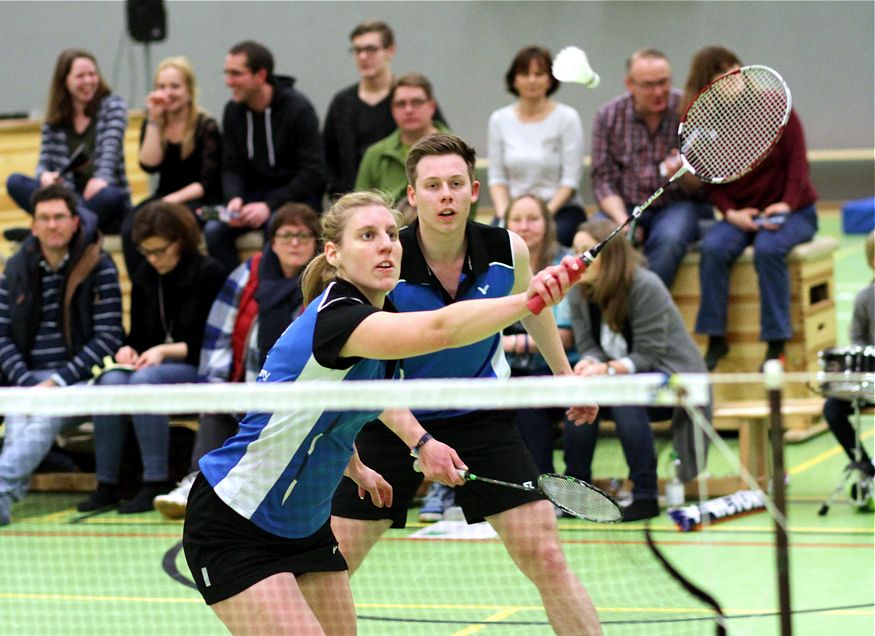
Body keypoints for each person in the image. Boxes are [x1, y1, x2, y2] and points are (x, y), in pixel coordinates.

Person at [182, 190, 579, 633]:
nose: (386, 244)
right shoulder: (341, 319)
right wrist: (530, 299)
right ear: (333, 252)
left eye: (391, 234)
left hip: (305, 528)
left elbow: (339, 402)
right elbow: (442, 329)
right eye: (367, 236)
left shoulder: (381, 313)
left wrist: (371, 460)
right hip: (236, 522)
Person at [332, 134, 602, 635]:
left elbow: (533, 309)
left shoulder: (507, 249)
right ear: (412, 196)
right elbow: (367, 370)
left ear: (474, 190)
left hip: (480, 416)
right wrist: (420, 442)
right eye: (432, 186)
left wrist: (565, 377)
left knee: (546, 554)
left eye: (456, 184)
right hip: (393, 418)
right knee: (332, 563)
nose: (446, 196)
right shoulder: (385, 261)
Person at [153, 203, 321, 520]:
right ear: (272, 241)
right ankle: (195, 484)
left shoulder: (325, 281)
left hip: (300, 394)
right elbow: (218, 334)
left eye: (303, 235)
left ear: (316, 242)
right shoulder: (248, 275)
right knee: (215, 407)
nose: (294, 243)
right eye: (286, 235)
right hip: (249, 388)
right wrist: (217, 390)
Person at [78, 201, 225, 514]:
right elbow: (139, 336)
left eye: (160, 251)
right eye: (147, 252)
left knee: (145, 381)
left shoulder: (208, 273)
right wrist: (128, 349)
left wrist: (164, 351)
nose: (154, 259)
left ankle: (155, 481)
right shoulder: (146, 275)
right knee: (110, 380)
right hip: (154, 365)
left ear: (179, 242)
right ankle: (107, 483)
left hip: (197, 366)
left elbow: (212, 343)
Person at [565, 219, 712, 522]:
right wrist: (588, 363)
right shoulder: (578, 292)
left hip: (673, 378)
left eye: (586, 251)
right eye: (575, 250)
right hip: (620, 376)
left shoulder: (645, 285)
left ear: (611, 255)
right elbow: (589, 346)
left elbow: (648, 355)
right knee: (582, 395)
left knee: (624, 396)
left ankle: (645, 494)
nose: (579, 258)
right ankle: (576, 490)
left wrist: (605, 370)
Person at [686, 46, 819, 369]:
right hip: (741, 215)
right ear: (707, 84)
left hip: (794, 212)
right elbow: (708, 179)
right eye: (720, 72)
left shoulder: (776, 106)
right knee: (714, 248)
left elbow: (798, 164)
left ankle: (776, 344)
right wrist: (731, 213)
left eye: (734, 68)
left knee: (769, 249)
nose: (731, 76)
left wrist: (785, 204)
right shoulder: (702, 123)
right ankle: (716, 339)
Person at [0, 184, 123, 526]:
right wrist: (26, 384)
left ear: (74, 222)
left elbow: (109, 335)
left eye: (59, 217)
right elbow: (1, 335)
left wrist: (56, 382)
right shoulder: (15, 268)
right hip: (24, 380)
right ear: (34, 225)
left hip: (79, 380)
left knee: (42, 415)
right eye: (44, 218)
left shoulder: (99, 262)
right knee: (19, 416)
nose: (52, 225)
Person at [590, 48, 711, 289]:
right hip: (623, 204)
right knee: (595, 235)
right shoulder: (608, 116)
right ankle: (600, 317)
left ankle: (647, 305)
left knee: (669, 239)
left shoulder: (690, 110)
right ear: (630, 84)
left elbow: (703, 185)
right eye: (648, 85)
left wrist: (685, 174)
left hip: (676, 205)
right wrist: (621, 220)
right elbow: (603, 179)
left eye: (663, 82)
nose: (658, 92)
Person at [206, 40, 325, 273]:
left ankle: (271, 297)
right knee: (213, 231)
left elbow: (313, 172)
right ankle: (238, 296)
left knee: (276, 228)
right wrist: (235, 198)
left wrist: (269, 205)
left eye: (236, 74)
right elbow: (231, 166)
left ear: (260, 75)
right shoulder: (233, 111)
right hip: (253, 198)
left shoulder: (298, 109)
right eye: (227, 73)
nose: (228, 82)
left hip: (296, 198)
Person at [5, 49, 131, 234]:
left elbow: (109, 152)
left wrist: (101, 179)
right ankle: (65, 225)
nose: (88, 81)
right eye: (80, 76)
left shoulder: (113, 106)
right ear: (65, 80)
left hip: (101, 204)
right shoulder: (54, 119)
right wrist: (45, 177)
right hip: (66, 202)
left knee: (110, 195)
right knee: (15, 182)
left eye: (92, 74)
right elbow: (43, 163)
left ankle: (46, 231)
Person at [323, 20, 447, 200]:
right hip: (353, 202)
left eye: (371, 49)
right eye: (358, 50)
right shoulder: (342, 103)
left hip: (404, 200)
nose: (363, 57)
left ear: (390, 51)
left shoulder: (410, 98)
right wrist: (338, 194)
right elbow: (328, 157)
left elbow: (441, 140)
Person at [121, 55, 222, 277]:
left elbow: (208, 182)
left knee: (172, 226)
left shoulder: (206, 125)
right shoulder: (155, 123)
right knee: (131, 227)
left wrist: (169, 202)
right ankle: (143, 284)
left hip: (199, 200)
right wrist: (154, 121)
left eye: (175, 86)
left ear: (189, 90)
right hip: (164, 195)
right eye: (161, 86)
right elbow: (148, 164)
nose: (167, 93)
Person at [488, 45, 586, 247]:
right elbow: (497, 178)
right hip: (514, 211)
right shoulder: (499, 120)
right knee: (491, 246)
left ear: (550, 79)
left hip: (558, 211)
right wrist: (506, 217)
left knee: (545, 244)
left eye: (539, 74)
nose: (532, 80)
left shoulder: (567, 118)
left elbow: (570, 180)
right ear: (514, 80)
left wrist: (540, 218)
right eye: (525, 74)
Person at [355, 73, 450, 223]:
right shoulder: (375, 155)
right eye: (401, 104)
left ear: (432, 107)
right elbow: (359, 211)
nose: (408, 110)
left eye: (416, 102)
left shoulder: (456, 152)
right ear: (392, 110)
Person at [822, 229, 875, 481]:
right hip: (872, 381)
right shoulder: (865, 298)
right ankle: (865, 466)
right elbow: (856, 337)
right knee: (832, 409)